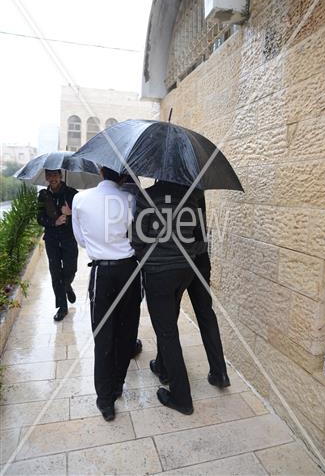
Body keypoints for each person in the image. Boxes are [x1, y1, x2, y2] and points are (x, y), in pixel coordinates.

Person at [72, 167, 141, 422]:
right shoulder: (130, 199)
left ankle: (105, 401)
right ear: (123, 175)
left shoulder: (79, 199)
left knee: (103, 336)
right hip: (129, 272)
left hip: (102, 273)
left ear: (100, 171)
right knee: (126, 333)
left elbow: (80, 240)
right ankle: (117, 385)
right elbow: (135, 236)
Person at [131, 180, 201, 415]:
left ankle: (182, 398)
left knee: (166, 331)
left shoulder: (147, 196)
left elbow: (137, 238)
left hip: (159, 273)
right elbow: (194, 233)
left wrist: (148, 257)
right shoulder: (191, 196)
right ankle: (162, 366)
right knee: (168, 320)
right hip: (185, 271)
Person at [150, 193, 230, 388]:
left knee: (168, 315)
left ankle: (164, 369)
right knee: (206, 314)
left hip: (180, 261)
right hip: (200, 259)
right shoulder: (197, 186)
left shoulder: (169, 189)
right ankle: (220, 372)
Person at [37, 169, 78, 322]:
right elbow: (39, 218)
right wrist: (54, 222)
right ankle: (62, 307)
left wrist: (70, 212)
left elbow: (82, 214)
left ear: (61, 175)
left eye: (55, 175)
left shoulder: (72, 194)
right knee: (55, 272)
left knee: (71, 269)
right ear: (46, 177)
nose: (52, 178)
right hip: (52, 239)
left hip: (69, 238)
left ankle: (67, 286)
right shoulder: (43, 195)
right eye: (50, 175)